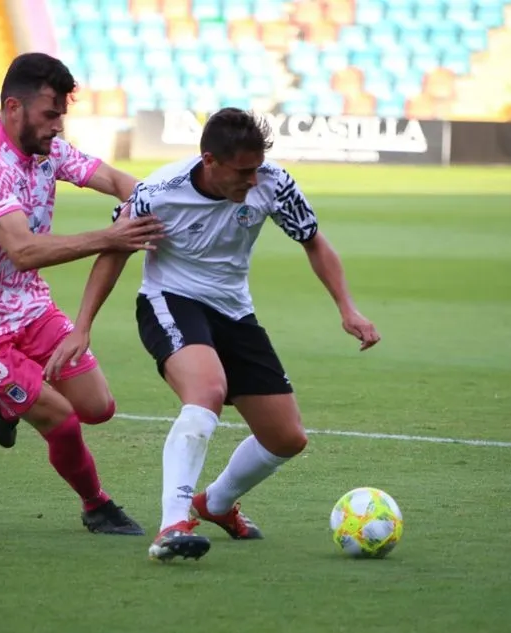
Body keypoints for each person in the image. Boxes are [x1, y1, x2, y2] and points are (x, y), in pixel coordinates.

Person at [47, 107, 381, 561]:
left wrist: (347, 308)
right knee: (206, 391)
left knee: (286, 438)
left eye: (257, 168)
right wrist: (83, 326)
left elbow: (313, 241)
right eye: (242, 171)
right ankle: (172, 523)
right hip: (170, 300)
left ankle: (216, 504)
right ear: (210, 161)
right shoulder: (157, 193)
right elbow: (115, 250)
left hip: (234, 311)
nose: (252, 180)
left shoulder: (273, 183)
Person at [0, 52, 165, 536]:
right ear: (14, 108)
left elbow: (114, 179)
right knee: (61, 418)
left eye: (61, 116)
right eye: (50, 114)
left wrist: (150, 202)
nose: (58, 126)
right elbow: (23, 250)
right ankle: (96, 505)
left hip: (28, 305)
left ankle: (4, 402)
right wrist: (111, 237)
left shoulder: (48, 150)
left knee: (98, 407)